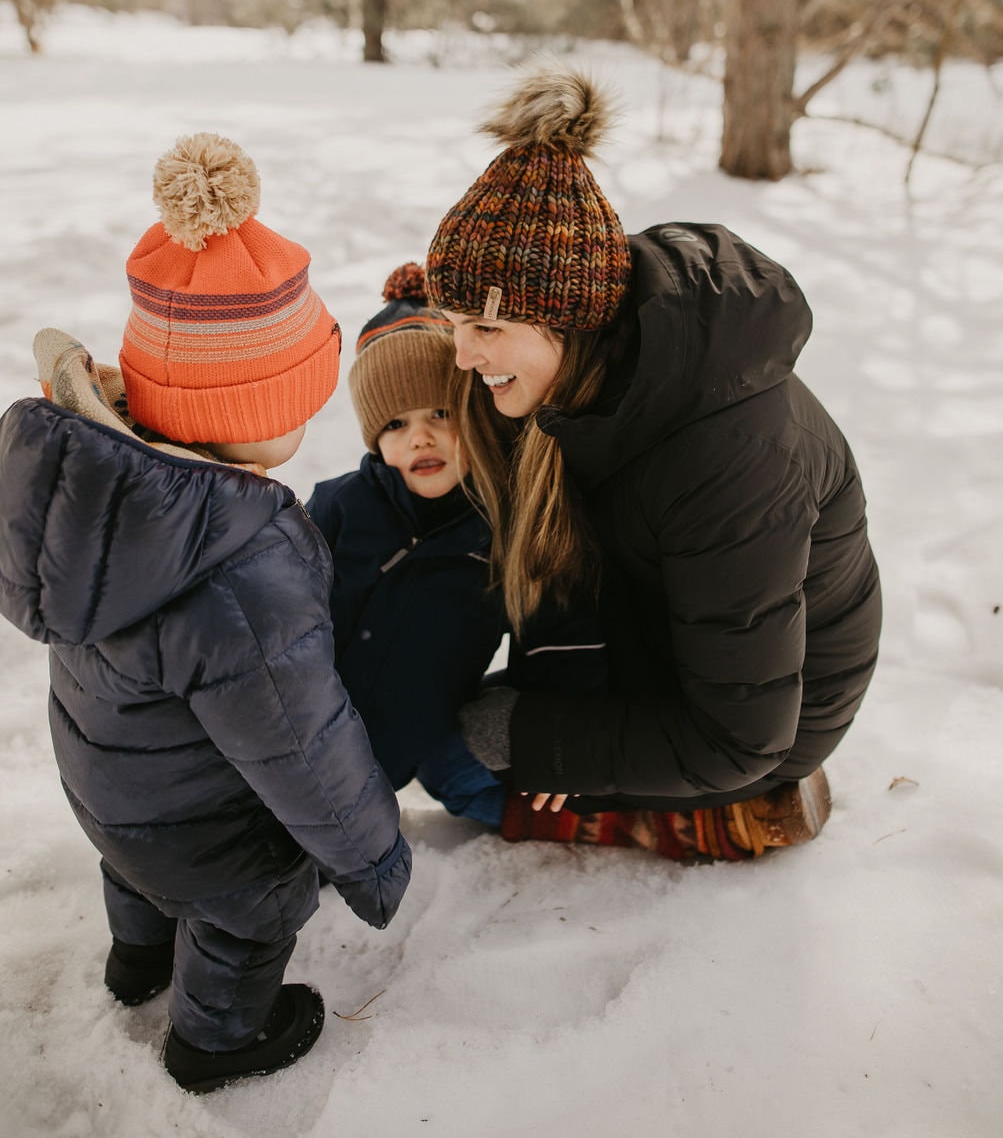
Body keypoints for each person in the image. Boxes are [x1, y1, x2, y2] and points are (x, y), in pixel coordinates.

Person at [0, 133, 411, 1094]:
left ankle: (137, 962)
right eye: (297, 399)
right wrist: (372, 858)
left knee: (143, 869)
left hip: (107, 796)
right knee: (252, 906)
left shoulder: (108, 500)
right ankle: (217, 1037)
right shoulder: (239, 567)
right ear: (247, 411)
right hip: (197, 834)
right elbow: (301, 745)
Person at [424, 64, 882, 864]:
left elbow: (740, 735)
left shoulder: (732, 461)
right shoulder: (595, 359)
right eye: (451, 321)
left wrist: (545, 737)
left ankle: (733, 819)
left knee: (459, 755)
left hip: (766, 724)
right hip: (665, 640)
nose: (462, 355)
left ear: (565, 320)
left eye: (483, 329)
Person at [306, 263, 605, 833]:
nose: (420, 436)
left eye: (440, 414)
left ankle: (617, 826)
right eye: (395, 424)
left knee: (475, 786)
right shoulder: (339, 510)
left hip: (430, 730)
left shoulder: (501, 523)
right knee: (310, 836)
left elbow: (554, 630)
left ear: (474, 414)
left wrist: (562, 733)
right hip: (318, 737)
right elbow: (284, 620)